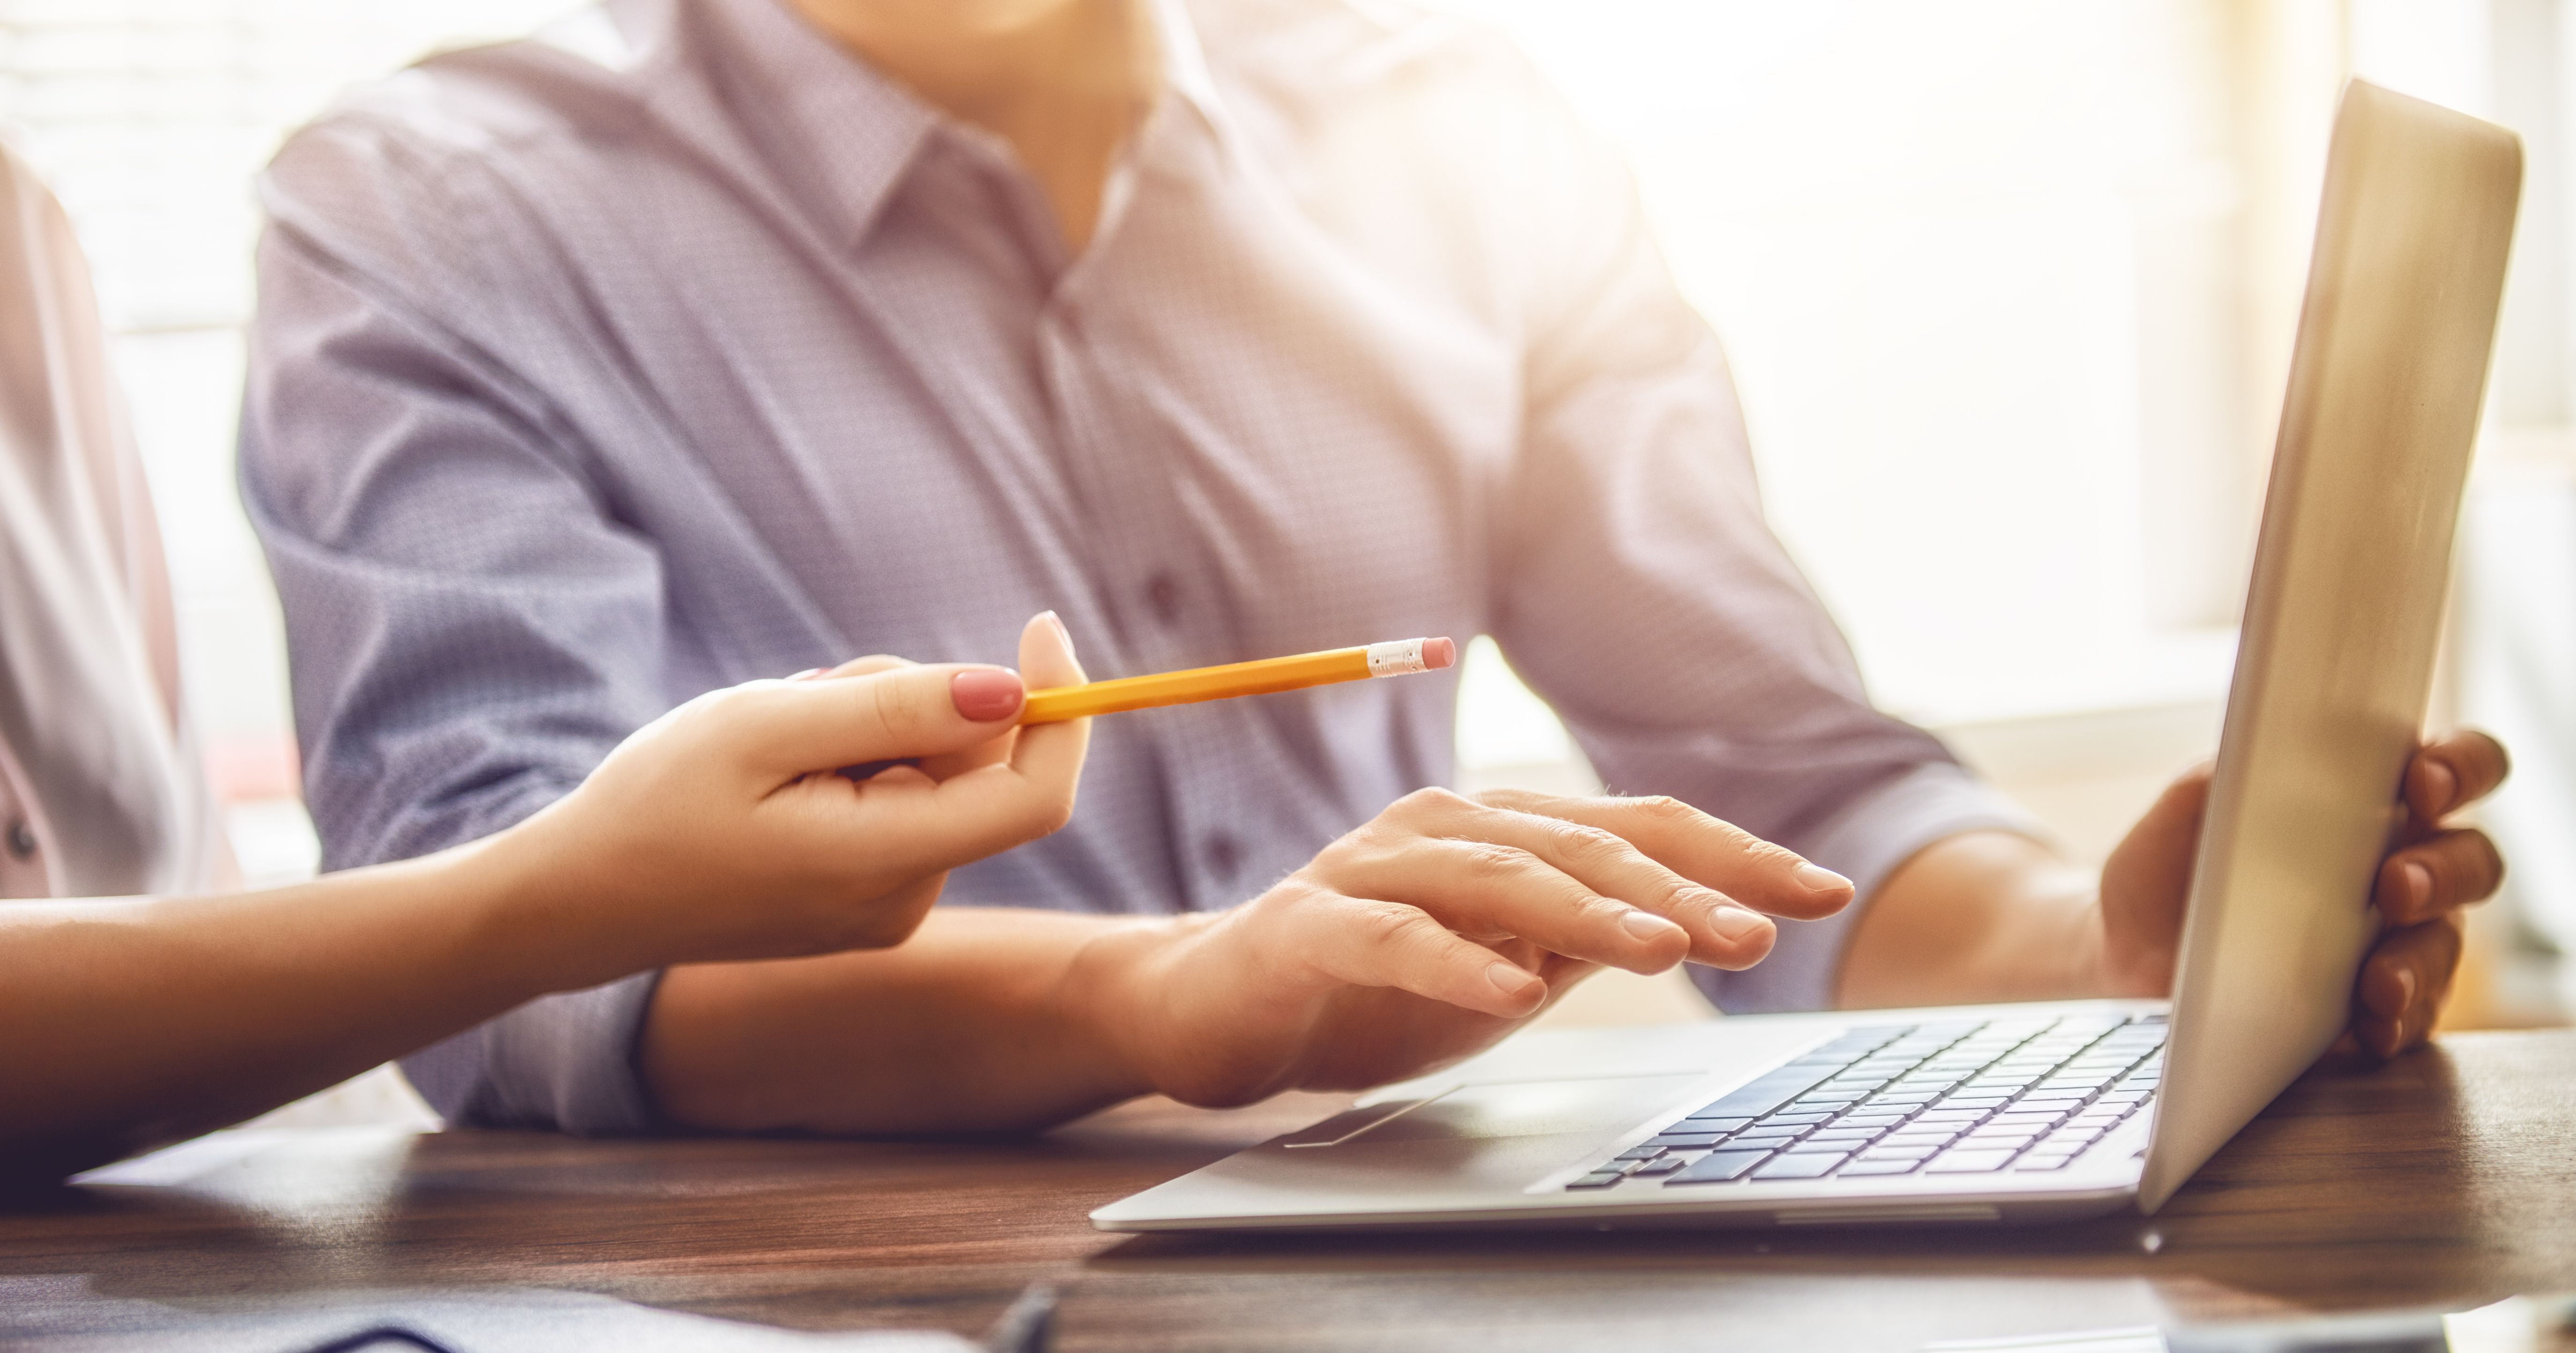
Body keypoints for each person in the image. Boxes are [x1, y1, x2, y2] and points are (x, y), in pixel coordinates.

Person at [242, 0, 2507, 1140]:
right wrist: (1155, 1001)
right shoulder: (436, 206)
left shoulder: (1462, 125)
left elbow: (1787, 795)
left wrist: (2097, 968)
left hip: (1407, 1281)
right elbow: (491, 949)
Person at [0, 101, 1096, 1179]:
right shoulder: (422, 203)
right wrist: (573, 892)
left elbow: (186, 915)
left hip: (209, 1271)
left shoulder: (21, 234)